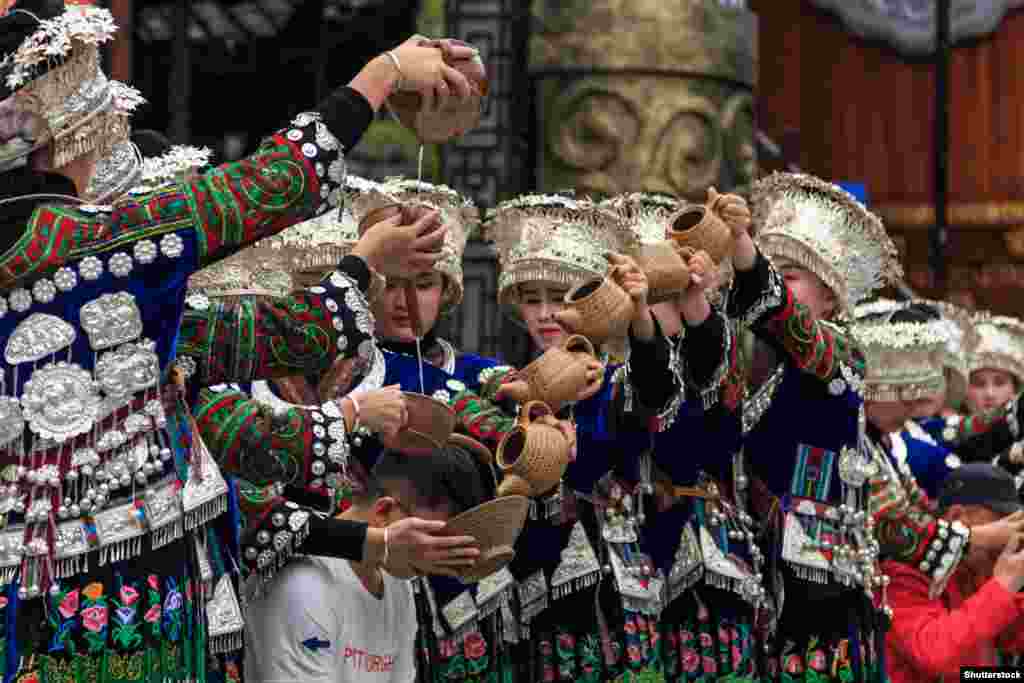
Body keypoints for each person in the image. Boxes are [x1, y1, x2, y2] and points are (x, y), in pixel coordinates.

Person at [0, 1, 481, 680]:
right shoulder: (81, 248)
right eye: (101, 137)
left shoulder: (110, 283)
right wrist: (383, 73)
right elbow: (265, 189)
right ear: (61, 143)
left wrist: (365, 263)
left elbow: (274, 334)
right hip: (98, 619)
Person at [244, 440, 491, 683]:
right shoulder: (303, 585)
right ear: (384, 511)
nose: (436, 560)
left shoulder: (396, 582)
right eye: (432, 539)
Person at [884, 463, 1024, 683]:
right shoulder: (904, 573)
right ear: (958, 516)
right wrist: (1003, 585)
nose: (1010, 537)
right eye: (1004, 524)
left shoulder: (975, 571)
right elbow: (934, 655)